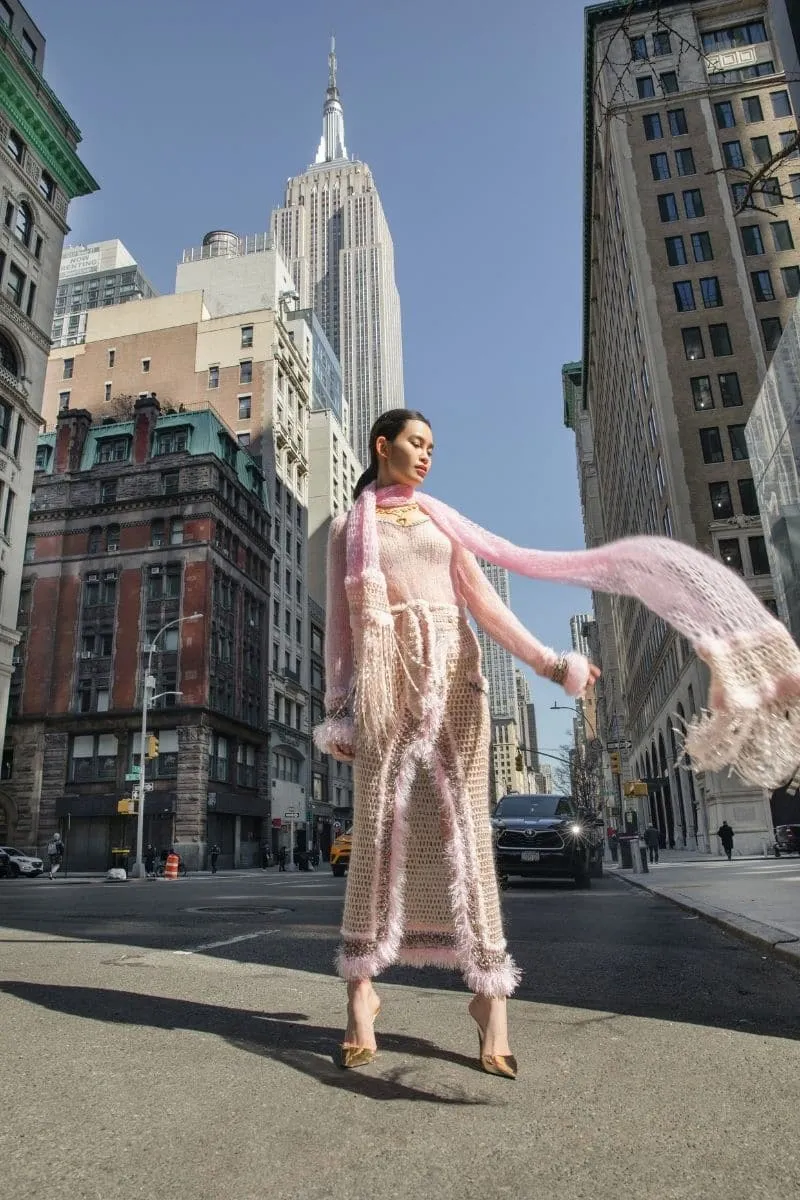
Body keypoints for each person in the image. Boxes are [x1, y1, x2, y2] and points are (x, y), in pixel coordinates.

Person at [315, 409, 800, 1078]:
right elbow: (340, 630)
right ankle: (361, 994)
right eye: (415, 444)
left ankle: (490, 1001)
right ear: (382, 446)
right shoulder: (348, 529)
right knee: (374, 833)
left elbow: (485, 605)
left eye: (433, 446)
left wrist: (550, 663)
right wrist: (339, 709)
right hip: (382, 679)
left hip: (457, 678)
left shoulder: (442, 522)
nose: (427, 456)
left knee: (467, 836)